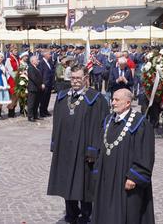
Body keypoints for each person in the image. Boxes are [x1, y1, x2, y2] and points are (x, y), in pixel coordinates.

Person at [47, 64, 109, 224]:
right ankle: (71, 213)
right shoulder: (61, 97)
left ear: (86, 78)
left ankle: (86, 214)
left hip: (84, 148)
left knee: (84, 182)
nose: (74, 81)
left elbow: (100, 126)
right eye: (72, 78)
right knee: (67, 180)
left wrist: (93, 149)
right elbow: (56, 122)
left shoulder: (96, 99)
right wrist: (55, 143)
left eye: (78, 78)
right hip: (65, 148)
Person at [92, 88, 155, 224]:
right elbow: (101, 147)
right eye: (112, 99)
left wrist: (135, 176)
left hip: (125, 178)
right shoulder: (108, 120)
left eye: (116, 100)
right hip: (107, 177)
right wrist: (97, 168)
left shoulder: (140, 123)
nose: (112, 102)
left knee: (128, 213)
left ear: (127, 103)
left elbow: (145, 152)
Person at [0, 52, 11, 121]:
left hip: (4, 82)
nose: (0, 58)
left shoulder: (2, 65)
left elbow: (5, 74)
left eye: (1, 57)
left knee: (1, 99)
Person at [27, 56, 44, 122]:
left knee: (36, 103)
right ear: (32, 61)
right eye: (36, 60)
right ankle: (30, 116)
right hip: (33, 88)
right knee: (31, 103)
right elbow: (34, 78)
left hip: (37, 88)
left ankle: (35, 115)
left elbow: (39, 77)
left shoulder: (37, 68)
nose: (38, 61)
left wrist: (42, 83)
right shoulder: (30, 68)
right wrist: (40, 85)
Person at [5, 45, 20, 118]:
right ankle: (10, 112)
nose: (16, 52)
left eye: (16, 50)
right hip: (12, 79)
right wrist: (17, 76)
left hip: (16, 79)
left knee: (16, 95)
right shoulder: (9, 59)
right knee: (12, 95)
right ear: (11, 51)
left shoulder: (16, 58)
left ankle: (13, 110)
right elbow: (10, 70)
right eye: (15, 50)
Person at [39, 50, 54, 117]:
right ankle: (42, 112)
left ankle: (45, 110)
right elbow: (40, 74)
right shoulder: (41, 63)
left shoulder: (49, 62)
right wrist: (42, 83)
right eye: (49, 54)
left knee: (47, 98)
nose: (50, 55)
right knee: (43, 98)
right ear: (45, 55)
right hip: (44, 84)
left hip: (49, 83)